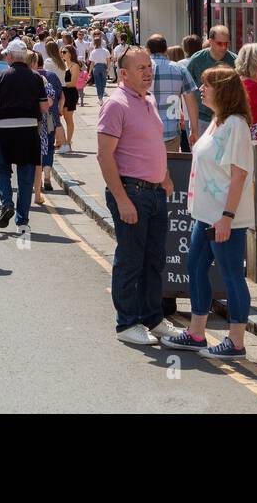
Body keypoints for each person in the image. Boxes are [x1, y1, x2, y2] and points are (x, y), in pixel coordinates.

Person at [162, 66, 255, 359]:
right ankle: (197, 333)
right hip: (204, 214)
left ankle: (236, 343)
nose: (201, 89)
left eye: (207, 85)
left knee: (230, 277)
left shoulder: (236, 125)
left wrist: (227, 216)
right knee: (195, 268)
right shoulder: (218, 120)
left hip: (224, 217)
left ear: (224, 90)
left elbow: (239, 174)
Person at [96, 47, 178, 346]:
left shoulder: (149, 99)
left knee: (154, 260)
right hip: (132, 192)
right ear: (124, 74)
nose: (148, 72)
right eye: (140, 68)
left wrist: (165, 175)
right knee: (131, 260)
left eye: (149, 67)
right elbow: (105, 156)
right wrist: (122, 199)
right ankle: (127, 323)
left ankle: (153, 319)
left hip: (154, 192)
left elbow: (154, 142)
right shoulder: (116, 104)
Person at [0, 46, 48, 234]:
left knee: (2, 170)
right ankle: (23, 221)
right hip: (29, 130)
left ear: (10, 57)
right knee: (26, 175)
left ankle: (6, 204)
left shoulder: (2, 76)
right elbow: (44, 107)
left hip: (6, 129)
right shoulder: (36, 77)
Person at [147, 34, 200, 153]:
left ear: (148, 50)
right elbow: (191, 102)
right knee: (169, 169)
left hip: (144, 133)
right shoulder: (179, 69)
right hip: (170, 132)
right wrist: (194, 131)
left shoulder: (141, 69)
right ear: (165, 49)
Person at [185, 26, 236, 128]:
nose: (224, 47)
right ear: (210, 41)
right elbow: (186, 86)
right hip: (201, 117)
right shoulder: (197, 59)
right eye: (220, 43)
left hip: (226, 117)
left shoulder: (235, 60)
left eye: (226, 43)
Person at [31, 52, 63, 199]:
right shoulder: (51, 76)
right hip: (51, 119)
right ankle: (47, 177)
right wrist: (59, 114)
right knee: (49, 147)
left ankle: (35, 183)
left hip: (34, 120)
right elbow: (60, 97)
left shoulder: (30, 77)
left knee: (35, 151)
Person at [59, 45, 82, 152]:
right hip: (63, 94)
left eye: (64, 52)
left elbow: (73, 83)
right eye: (61, 52)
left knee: (68, 119)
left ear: (70, 53)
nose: (62, 54)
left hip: (70, 94)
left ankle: (68, 142)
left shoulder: (75, 66)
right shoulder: (63, 65)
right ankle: (64, 141)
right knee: (61, 117)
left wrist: (61, 84)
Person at [89, 34, 111, 101]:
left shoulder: (93, 52)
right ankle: (102, 94)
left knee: (98, 83)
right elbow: (108, 61)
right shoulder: (105, 50)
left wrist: (89, 72)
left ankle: (100, 98)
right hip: (104, 67)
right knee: (103, 82)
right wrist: (108, 68)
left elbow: (92, 63)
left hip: (96, 67)